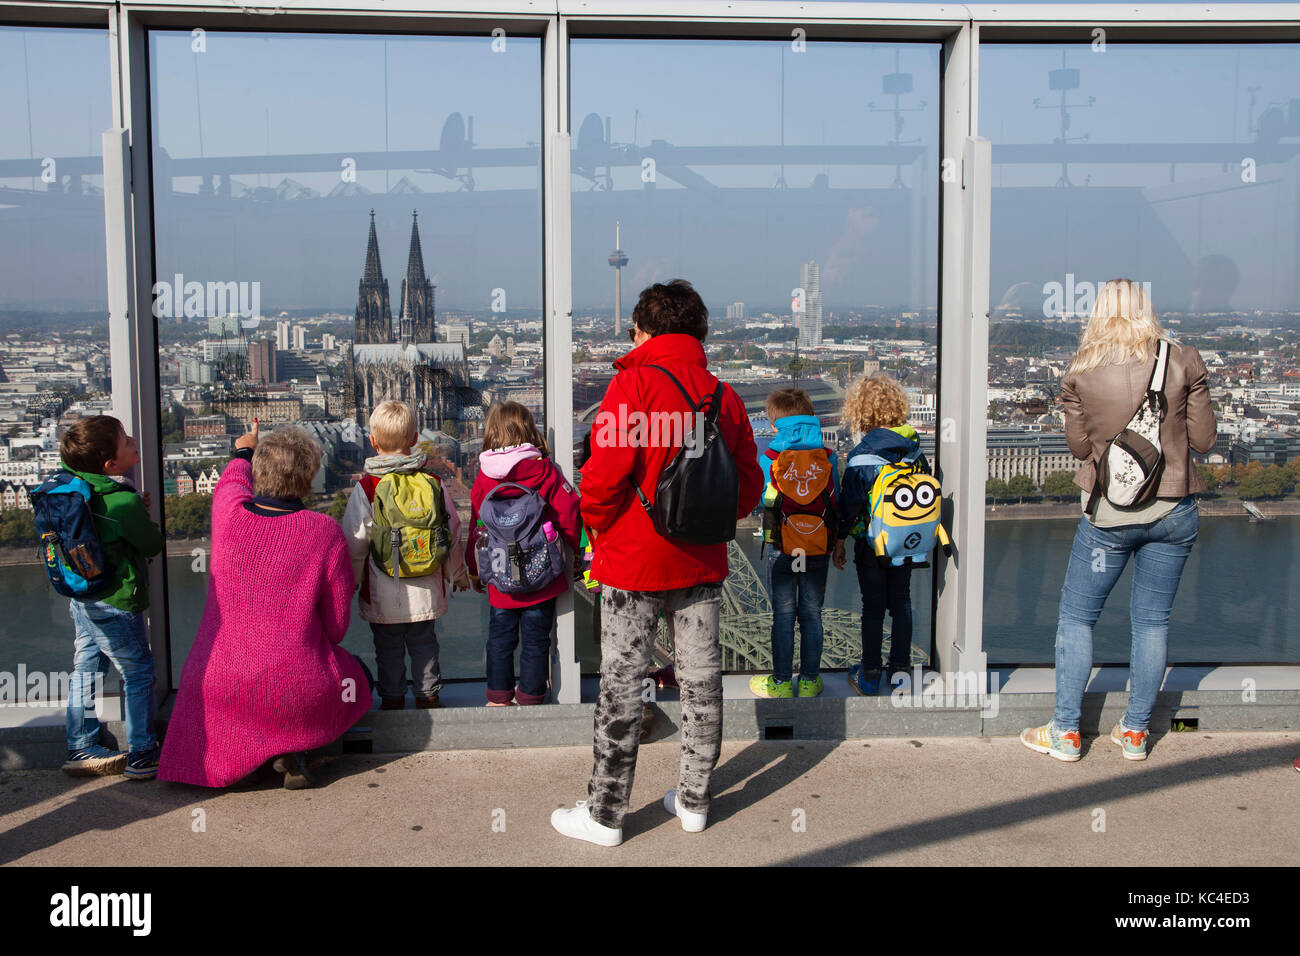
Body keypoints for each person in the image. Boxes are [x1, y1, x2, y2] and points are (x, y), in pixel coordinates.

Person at [551, 279, 764, 846]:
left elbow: (599, 478)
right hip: (702, 564)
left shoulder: (632, 386)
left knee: (622, 686)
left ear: (645, 331)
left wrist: (603, 522)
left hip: (632, 565)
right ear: (698, 333)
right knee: (701, 681)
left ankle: (605, 815)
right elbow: (749, 488)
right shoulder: (725, 396)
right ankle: (694, 801)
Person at [1021, 278, 1215, 762]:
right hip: (1174, 509)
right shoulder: (1183, 359)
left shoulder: (1081, 373)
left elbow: (1082, 450)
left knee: (1076, 619)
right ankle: (1134, 733)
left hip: (1110, 514)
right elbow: (1205, 440)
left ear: (1098, 313)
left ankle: (1066, 732)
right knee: (1151, 622)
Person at [159, 422, 373, 789]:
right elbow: (336, 629)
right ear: (309, 479)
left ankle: (247, 752)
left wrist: (244, 449)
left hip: (216, 686)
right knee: (358, 678)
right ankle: (293, 747)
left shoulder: (228, 515)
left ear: (259, 473)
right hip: (293, 688)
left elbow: (231, 483)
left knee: (247, 689)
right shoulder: (323, 531)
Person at [56, 416, 164, 779]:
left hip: (82, 597)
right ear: (111, 464)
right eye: (127, 441)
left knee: (86, 667)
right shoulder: (120, 500)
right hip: (116, 600)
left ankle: (81, 744)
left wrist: (132, 507)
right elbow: (151, 543)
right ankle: (142, 752)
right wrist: (139, 513)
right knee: (138, 673)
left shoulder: (74, 490)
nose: (135, 441)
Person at [342, 400, 468, 710]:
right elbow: (451, 532)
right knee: (425, 645)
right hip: (426, 589)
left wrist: (352, 581)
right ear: (414, 439)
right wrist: (457, 572)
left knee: (387, 649)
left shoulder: (368, 487)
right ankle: (428, 696)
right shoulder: (434, 483)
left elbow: (355, 541)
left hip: (383, 591)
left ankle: (393, 700)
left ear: (372, 441)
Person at [465, 401, 581, 706]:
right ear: (531, 432)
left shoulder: (484, 477)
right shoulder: (546, 472)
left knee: (500, 640)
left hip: (501, 576)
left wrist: (475, 569)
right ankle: (531, 696)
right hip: (542, 576)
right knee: (536, 639)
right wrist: (571, 552)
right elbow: (569, 515)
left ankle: (498, 696)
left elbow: (476, 528)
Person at [836, 373, 927, 696]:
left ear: (860, 411)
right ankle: (900, 670)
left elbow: (849, 506)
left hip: (872, 543)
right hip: (907, 541)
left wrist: (839, 541)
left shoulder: (861, 457)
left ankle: (871, 673)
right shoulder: (914, 449)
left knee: (872, 607)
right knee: (901, 602)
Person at [749, 388, 840, 700]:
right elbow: (835, 501)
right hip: (818, 545)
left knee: (784, 614)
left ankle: (782, 682)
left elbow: (762, 499)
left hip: (783, 546)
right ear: (812, 419)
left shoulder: (771, 458)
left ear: (775, 426)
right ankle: (811, 680)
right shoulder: (828, 458)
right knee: (812, 612)